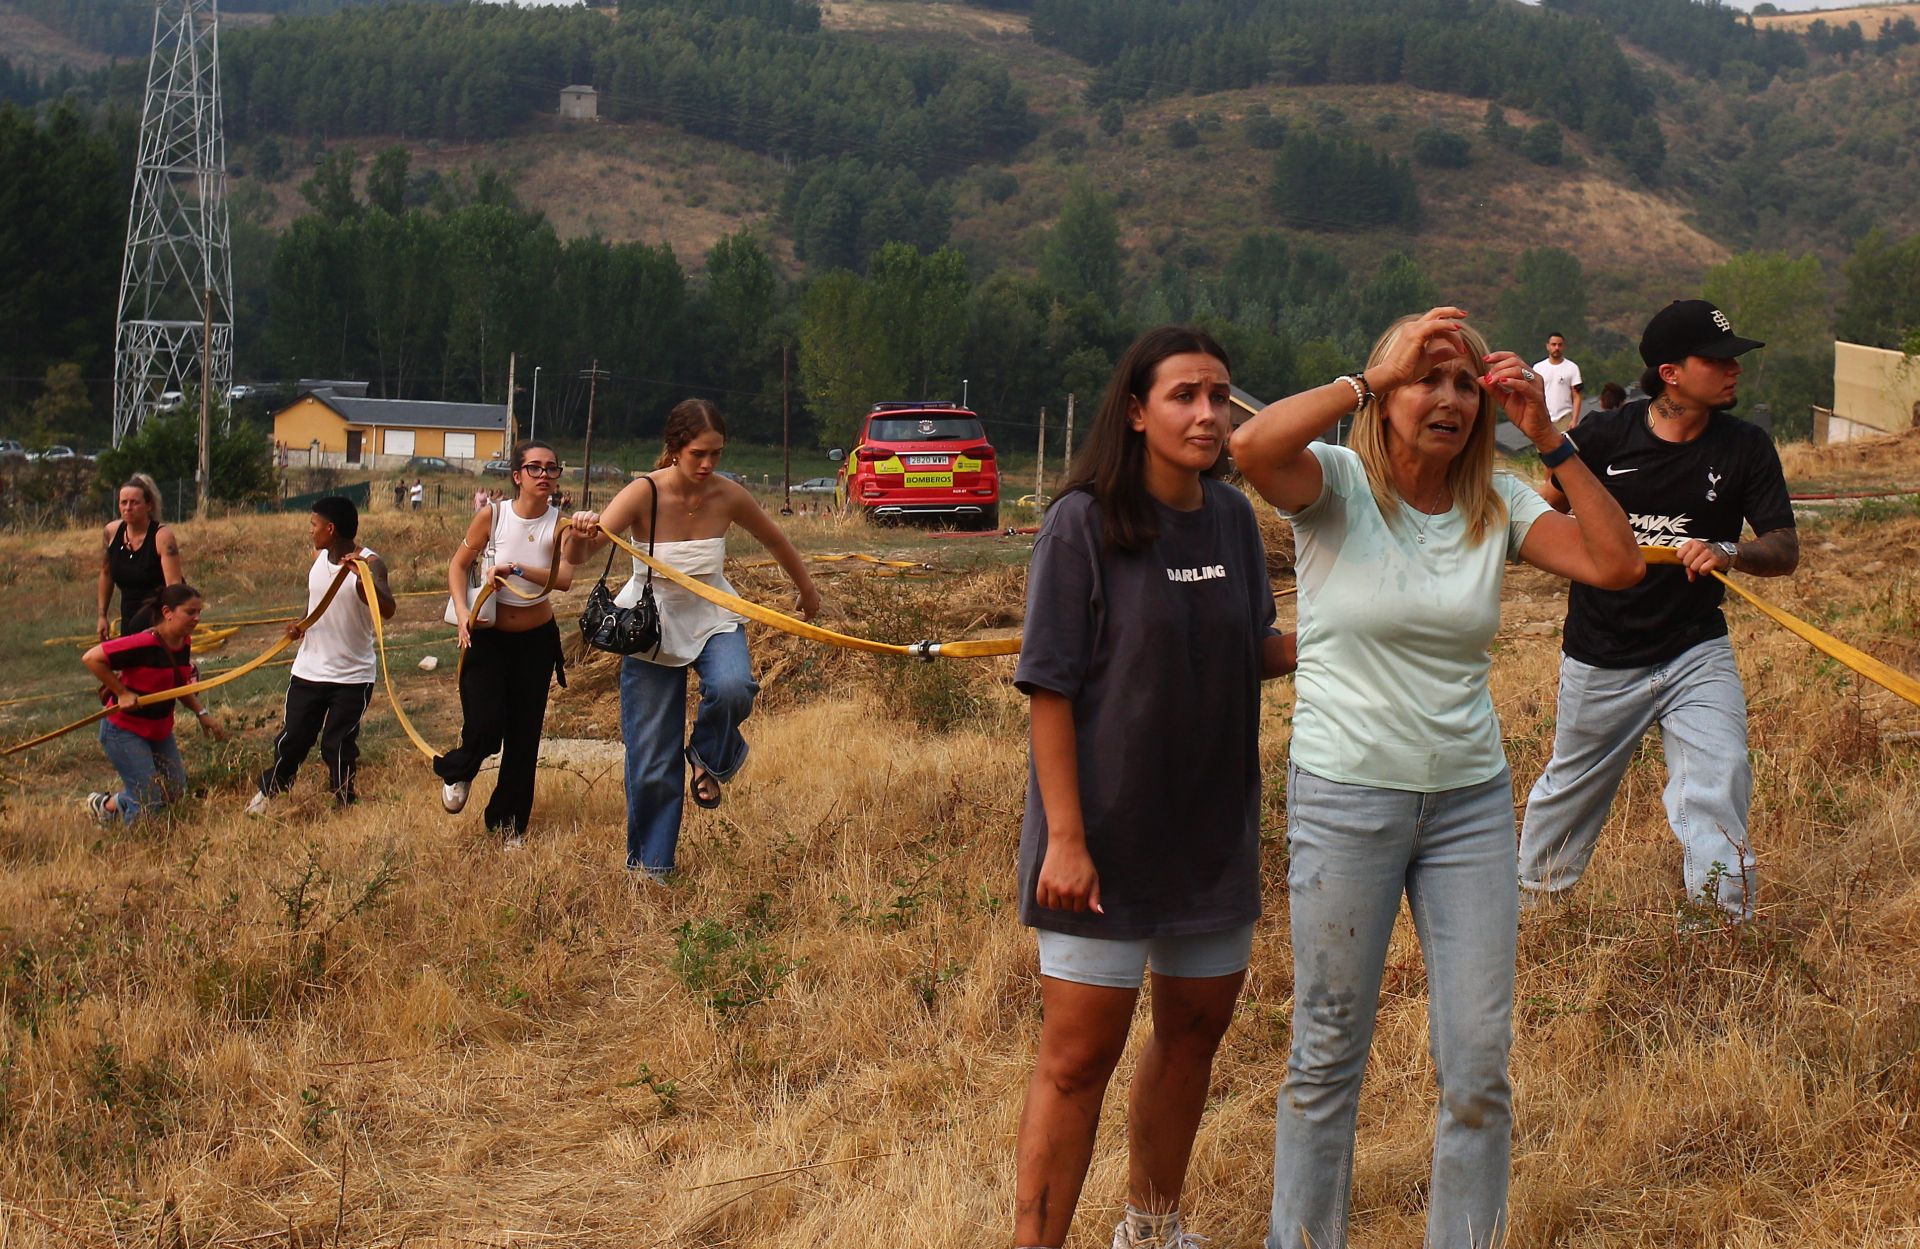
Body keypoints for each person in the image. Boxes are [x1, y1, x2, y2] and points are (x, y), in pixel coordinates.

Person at [1229, 307, 1642, 1249]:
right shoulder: (1333, 484)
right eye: (1429, 378)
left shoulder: (1499, 501)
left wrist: (1550, 436)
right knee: (1327, 1051)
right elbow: (1252, 444)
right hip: (1346, 797)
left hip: (1469, 806)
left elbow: (1616, 565)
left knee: (1478, 1065)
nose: (1451, 398)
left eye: (1465, 383)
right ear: (1386, 392)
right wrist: (1368, 379)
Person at [1010, 327, 1296, 1249]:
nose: (1207, 414)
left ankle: (1151, 1226)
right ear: (1136, 411)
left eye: (1219, 394)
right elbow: (1049, 686)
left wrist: (1361, 627)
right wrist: (1066, 837)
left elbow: (1256, 651)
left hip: (1211, 834)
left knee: (1193, 1036)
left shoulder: (1232, 520)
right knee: (1078, 1057)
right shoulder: (1082, 523)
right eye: (1183, 395)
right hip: (1101, 840)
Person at [1519, 299, 1799, 922]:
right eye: (1718, 360)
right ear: (1670, 372)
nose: (1734, 371)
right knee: (1570, 790)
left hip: (1695, 648)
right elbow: (1546, 511)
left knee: (1717, 777)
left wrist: (1731, 551)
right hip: (1601, 652)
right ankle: (1533, 911)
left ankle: (1720, 923)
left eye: (1735, 360)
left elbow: (1784, 547)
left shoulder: (1746, 446)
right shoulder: (1601, 436)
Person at [562, 399, 820, 880]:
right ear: (675, 448)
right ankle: (651, 866)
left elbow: (777, 540)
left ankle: (706, 759)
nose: (707, 464)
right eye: (699, 453)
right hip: (650, 626)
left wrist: (807, 590)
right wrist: (578, 531)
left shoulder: (729, 495)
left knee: (733, 687)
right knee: (652, 757)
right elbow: (583, 552)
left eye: (716, 454)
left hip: (713, 616)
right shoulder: (644, 493)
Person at [434, 441, 576, 847]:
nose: (545, 475)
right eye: (535, 468)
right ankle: (460, 768)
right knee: (484, 721)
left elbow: (563, 579)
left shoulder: (558, 524)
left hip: (535, 641)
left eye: (552, 468)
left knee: (523, 735)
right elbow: (458, 566)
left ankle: (508, 825)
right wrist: (462, 612)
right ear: (517, 476)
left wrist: (513, 568)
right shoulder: (492, 516)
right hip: (487, 636)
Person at [247, 496, 396, 814]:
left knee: (338, 744)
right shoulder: (318, 557)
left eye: (313, 525)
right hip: (309, 671)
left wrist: (361, 579)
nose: (310, 530)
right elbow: (316, 598)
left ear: (330, 529)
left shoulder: (370, 563)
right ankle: (271, 791)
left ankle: (343, 801)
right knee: (293, 739)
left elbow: (388, 608)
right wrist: (301, 624)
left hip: (351, 676)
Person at [82, 583, 228, 824]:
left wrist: (201, 712)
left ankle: (107, 806)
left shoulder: (184, 643)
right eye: (190, 612)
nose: (197, 618)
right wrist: (122, 693)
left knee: (174, 791)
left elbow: (179, 683)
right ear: (168, 612)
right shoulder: (143, 643)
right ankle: (141, 853)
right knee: (148, 800)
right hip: (124, 731)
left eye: (199, 612)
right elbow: (91, 658)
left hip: (158, 730)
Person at [97, 474, 183, 640]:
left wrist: (173, 622)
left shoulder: (162, 536)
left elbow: (174, 586)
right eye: (124, 502)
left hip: (158, 611)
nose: (128, 508)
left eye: (134, 503)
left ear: (148, 505)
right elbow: (106, 573)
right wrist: (102, 615)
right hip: (129, 611)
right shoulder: (111, 533)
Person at [1534, 332, 1584, 429]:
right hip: (1544, 419)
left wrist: (1574, 420)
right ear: (1548, 346)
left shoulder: (1572, 368)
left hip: (1565, 418)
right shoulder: (1538, 368)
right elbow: (1533, 394)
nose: (1556, 348)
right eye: (1553, 344)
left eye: (1559, 345)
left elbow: (1577, 396)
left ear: (1564, 347)